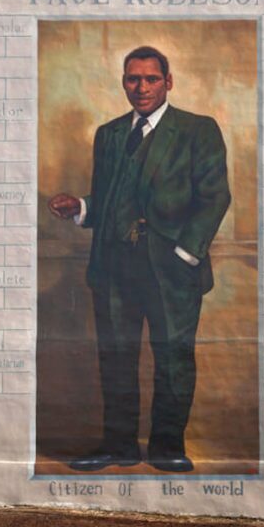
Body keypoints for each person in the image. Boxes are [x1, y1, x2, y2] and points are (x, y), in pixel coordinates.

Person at [47, 46, 231, 473]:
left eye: (151, 79)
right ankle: (119, 447)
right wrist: (81, 207)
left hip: (173, 268)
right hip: (114, 267)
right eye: (133, 79)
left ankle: (167, 448)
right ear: (124, 83)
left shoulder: (198, 130)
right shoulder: (109, 134)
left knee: (173, 358)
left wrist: (186, 254)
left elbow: (215, 196)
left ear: (168, 82)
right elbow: (112, 198)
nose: (142, 87)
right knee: (116, 358)